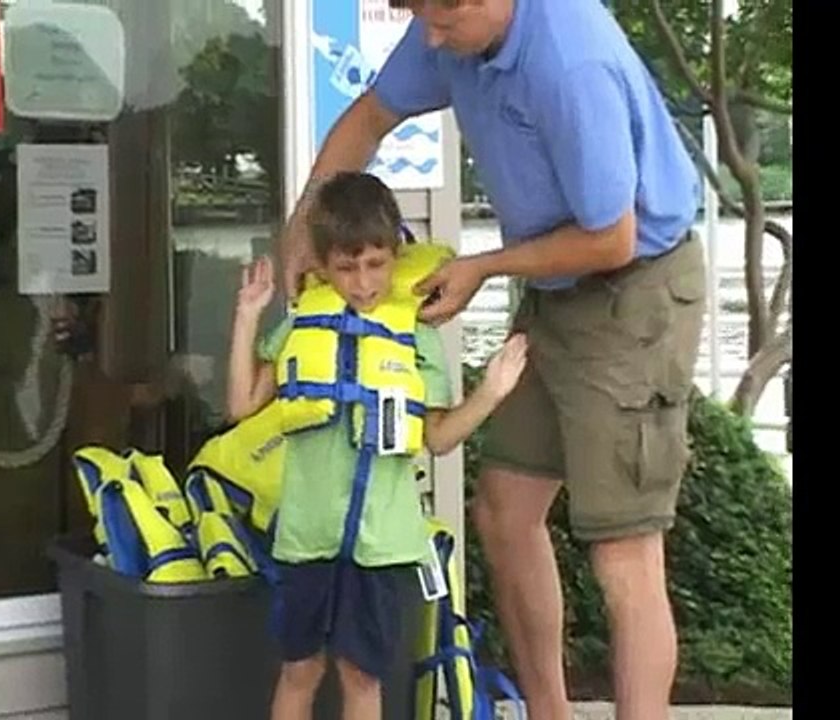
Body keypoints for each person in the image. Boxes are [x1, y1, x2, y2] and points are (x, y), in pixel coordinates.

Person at [277, 2, 707, 720]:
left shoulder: (571, 63)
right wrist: (303, 225)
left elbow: (612, 239)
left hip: (635, 291)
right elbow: (368, 118)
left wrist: (483, 266)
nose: (429, 38)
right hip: (556, 288)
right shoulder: (448, 27)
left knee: (623, 552)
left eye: (443, 22)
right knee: (505, 513)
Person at [229, 171, 527, 720]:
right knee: (299, 671)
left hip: (382, 546)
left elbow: (438, 438)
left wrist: (491, 392)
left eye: (375, 264)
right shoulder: (302, 324)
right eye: (347, 267)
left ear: (395, 256)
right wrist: (248, 315)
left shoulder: (416, 337)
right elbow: (241, 404)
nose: (363, 283)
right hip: (306, 538)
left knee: (362, 676)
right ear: (323, 265)